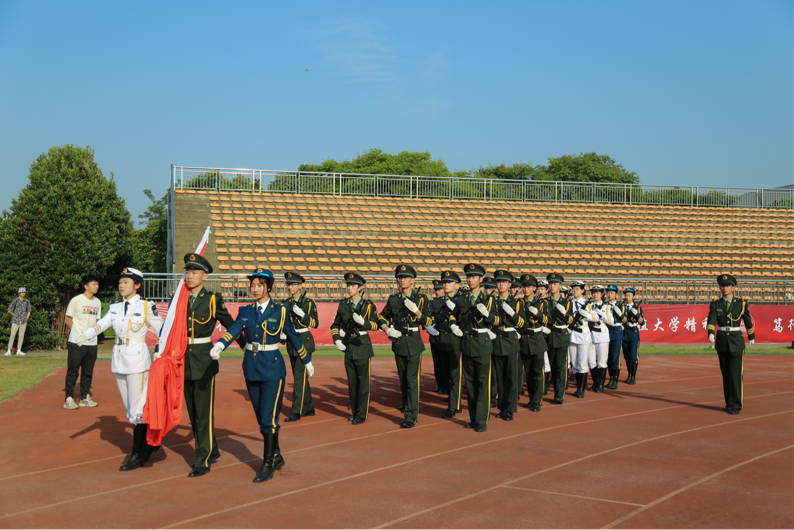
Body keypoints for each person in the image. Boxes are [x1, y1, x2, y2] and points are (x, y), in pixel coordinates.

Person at [211, 268, 314, 482]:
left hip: (273, 369)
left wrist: (306, 360)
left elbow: (293, 337)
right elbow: (235, 329)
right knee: (261, 417)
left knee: (268, 418)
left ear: (268, 288)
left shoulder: (280, 311)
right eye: (253, 285)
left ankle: (268, 463)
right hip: (251, 367)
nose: (255, 288)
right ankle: (276, 454)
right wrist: (220, 344)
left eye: (259, 285)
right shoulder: (246, 311)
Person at [76, 268, 164, 471]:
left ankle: (137, 454)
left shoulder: (146, 306)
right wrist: (85, 334)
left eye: (126, 282)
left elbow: (163, 330)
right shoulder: (115, 307)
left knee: (138, 409)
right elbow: (102, 324)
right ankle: (150, 443)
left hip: (137, 360)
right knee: (130, 408)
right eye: (120, 282)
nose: (121, 285)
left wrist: (160, 352)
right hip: (120, 359)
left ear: (137, 285)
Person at [175, 253, 239, 477]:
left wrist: (246, 347)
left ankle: (202, 459)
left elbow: (232, 325)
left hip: (204, 360)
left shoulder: (212, 299)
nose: (189, 275)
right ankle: (212, 448)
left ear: (205, 276)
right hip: (183, 359)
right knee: (193, 412)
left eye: (194, 272)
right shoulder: (179, 299)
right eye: (187, 271)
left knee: (203, 413)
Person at [378, 264, 434, 428]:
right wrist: (388, 330)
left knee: (412, 380)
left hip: (414, 342)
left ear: (413, 280)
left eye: (406, 277)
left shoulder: (421, 299)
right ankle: (407, 404)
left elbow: (429, 321)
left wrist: (417, 312)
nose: (402, 280)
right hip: (399, 341)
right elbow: (382, 317)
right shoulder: (394, 299)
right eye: (400, 277)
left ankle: (411, 415)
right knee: (403, 379)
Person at [449, 263, 499, 432]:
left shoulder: (489, 299)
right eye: (468, 277)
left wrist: (488, 315)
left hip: (482, 344)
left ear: (481, 279)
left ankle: (482, 419)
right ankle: (473, 418)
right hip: (467, 344)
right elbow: (452, 315)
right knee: (470, 384)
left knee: (483, 384)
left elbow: (498, 320)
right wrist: (453, 325)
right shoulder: (461, 299)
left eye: (474, 277)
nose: (470, 280)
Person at [331, 272, 380, 425]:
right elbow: (335, 325)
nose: (349, 288)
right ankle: (355, 412)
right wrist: (337, 340)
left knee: (363, 383)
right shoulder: (343, 305)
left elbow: (376, 325)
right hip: (349, 346)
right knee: (352, 383)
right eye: (348, 285)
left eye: (353, 285)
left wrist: (363, 322)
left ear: (360, 288)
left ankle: (362, 413)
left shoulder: (368, 305)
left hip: (362, 345)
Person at [707, 274, 755, 415]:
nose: (724, 288)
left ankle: (736, 404)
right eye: (722, 286)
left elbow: (747, 320)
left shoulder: (741, 303)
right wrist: (711, 332)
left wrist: (751, 336)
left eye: (727, 286)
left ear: (733, 288)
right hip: (722, 341)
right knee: (726, 373)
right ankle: (729, 402)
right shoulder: (716, 304)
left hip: (736, 341)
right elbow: (711, 319)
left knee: (735, 374)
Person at [281, 272, 318, 422]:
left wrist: (302, 315)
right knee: (300, 377)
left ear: (300, 286)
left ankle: (296, 411)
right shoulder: (286, 303)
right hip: (291, 342)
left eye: (293, 284)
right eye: (288, 284)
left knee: (299, 378)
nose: (290, 287)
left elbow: (315, 323)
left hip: (304, 341)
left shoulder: (308, 303)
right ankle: (308, 407)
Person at [491, 270, 525, 421]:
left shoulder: (517, 303)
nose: (501, 284)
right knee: (499, 378)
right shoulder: (492, 301)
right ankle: (502, 407)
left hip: (510, 341)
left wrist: (513, 314)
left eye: (504, 282)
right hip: (496, 341)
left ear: (509, 284)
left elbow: (522, 323)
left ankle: (510, 409)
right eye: (498, 281)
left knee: (511, 378)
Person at [63, 275, 101, 410]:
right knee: (73, 371)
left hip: (92, 343)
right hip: (76, 342)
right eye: (94, 284)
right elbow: (68, 319)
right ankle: (69, 398)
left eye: (97, 284)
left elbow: (96, 321)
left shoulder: (97, 302)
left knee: (88, 372)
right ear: (86, 286)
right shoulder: (76, 300)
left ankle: (84, 397)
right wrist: (78, 335)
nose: (96, 286)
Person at [518, 274, 548, 411]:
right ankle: (531, 399)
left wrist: (538, 314)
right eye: (524, 286)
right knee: (529, 374)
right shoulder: (519, 303)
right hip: (524, 340)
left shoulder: (541, 303)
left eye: (529, 286)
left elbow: (547, 320)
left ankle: (537, 401)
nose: (526, 289)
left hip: (537, 340)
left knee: (538, 373)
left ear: (534, 288)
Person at [436, 270, 464, 419]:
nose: (446, 285)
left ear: (457, 285)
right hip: (442, 340)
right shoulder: (439, 301)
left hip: (456, 340)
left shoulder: (462, 300)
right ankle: (453, 399)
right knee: (446, 373)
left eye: (450, 282)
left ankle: (454, 405)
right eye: (444, 282)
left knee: (455, 374)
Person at [546, 273, 573, 404]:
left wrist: (564, 313)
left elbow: (570, 320)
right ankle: (556, 391)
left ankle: (559, 394)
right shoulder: (545, 302)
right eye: (551, 284)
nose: (552, 286)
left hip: (561, 337)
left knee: (561, 367)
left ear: (560, 286)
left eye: (555, 284)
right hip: (549, 337)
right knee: (553, 366)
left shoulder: (566, 303)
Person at [568, 281, 596, 398]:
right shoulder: (568, 303)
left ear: (582, 290)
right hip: (572, 334)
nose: (575, 291)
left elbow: (596, 318)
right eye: (573, 289)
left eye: (577, 289)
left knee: (582, 363)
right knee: (574, 363)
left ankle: (581, 388)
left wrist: (586, 315)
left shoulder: (588, 304)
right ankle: (578, 385)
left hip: (583, 334)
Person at [428, 279, 449, 395]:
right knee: (437, 363)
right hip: (435, 337)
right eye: (435, 290)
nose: (437, 292)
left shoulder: (449, 301)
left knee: (446, 364)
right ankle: (441, 385)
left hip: (446, 335)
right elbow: (428, 316)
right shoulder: (433, 303)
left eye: (439, 289)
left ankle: (447, 385)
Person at [587, 285, 610, 393]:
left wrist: (603, 316)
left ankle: (601, 384)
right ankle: (595, 382)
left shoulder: (607, 306)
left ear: (602, 294)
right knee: (591, 362)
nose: (595, 295)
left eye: (597, 293)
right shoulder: (589, 306)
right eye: (593, 293)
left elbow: (611, 321)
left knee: (602, 362)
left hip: (602, 336)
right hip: (591, 336)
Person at [604, 285, 626, 389]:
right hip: (606, 332)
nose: (609, 295)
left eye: (612, 293)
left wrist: (620, 314)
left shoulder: (621, 306)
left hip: (617, 332)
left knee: (615, 358)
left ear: (616, 294)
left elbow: (625, 320)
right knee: (608, 358)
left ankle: (615, 380)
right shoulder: (604, 305)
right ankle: (611, 378)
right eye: (608, 293)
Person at [622, 288, 644, 385]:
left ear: (634, 297)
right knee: (626, 356)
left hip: (633, 333)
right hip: (624, 333)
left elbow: (642, 322)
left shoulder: (638, 308)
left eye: (629, 295)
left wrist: (636, 314)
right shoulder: (622, 308)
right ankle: (629, 375)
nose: (627, 297)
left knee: (633, 356)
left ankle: (633, 376)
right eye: (626, 295)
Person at [5, 287, 32, 356]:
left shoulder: (27, 301)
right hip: (15, 320)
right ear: (19, 293)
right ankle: (9, 350)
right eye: (22, 292)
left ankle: (19, 350)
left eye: (24, 292)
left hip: (23, 321)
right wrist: (15, 315)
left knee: (21, 336)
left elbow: (29, 310)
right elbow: (9, 309)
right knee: (12, 335)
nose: (23, 293)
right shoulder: (15, 301)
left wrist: (26, 318)